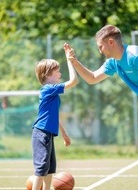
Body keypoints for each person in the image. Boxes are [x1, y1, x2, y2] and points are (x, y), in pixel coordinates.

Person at [66, 25, 138, 190]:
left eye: (100, 46)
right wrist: (74, 61)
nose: (100, 51)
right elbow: (92, 78)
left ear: (110, 42)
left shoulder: (135, 56)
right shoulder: (114, 62)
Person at [31, 43, 78, 190]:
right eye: (57, 71)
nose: (60, 74)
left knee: (50, 169)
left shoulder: (53, 92)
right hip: (41, 134)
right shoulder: (48, 89)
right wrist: (70, 60)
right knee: (41, 169)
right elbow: (74, 81)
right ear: (48, 74)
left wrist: (64, 133)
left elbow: (53, 116)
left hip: (48, 134)